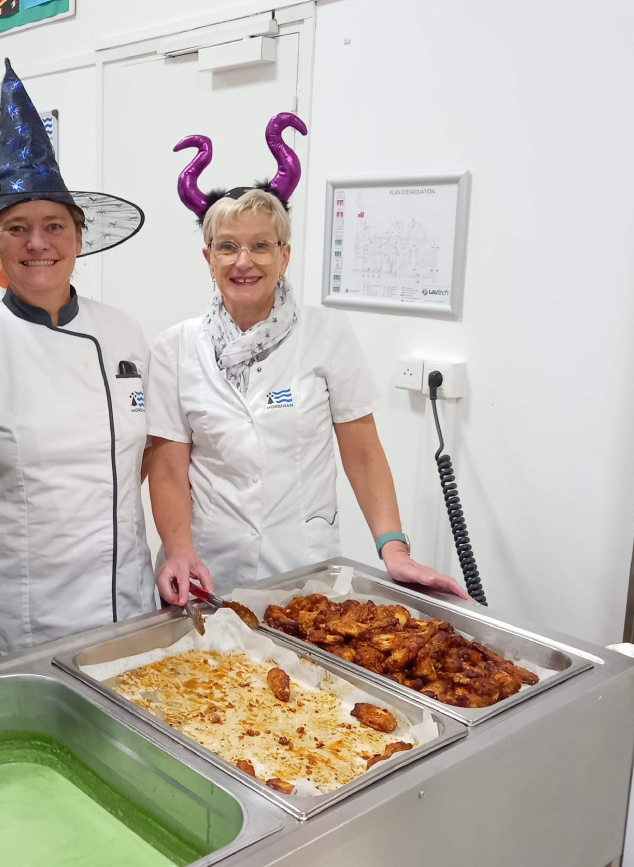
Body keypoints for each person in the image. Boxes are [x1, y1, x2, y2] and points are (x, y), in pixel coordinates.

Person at [148, 114, 471, 605]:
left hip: (302, 563)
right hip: (206, 567)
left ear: (284, 255)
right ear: (208, 259)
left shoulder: (326, 332)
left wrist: (394, 550)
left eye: (261, 245)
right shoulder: (175, 346)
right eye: (228, 247)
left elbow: (361, 449)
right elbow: (169, 466)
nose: (244, 261)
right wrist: (178, 551)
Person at [0, 60, 153, 655]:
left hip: (126, 599)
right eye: (17, 228)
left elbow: (146, 453)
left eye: (54, 226)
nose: (38, 243)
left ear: (80, 237)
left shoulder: (125, 333)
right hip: (20, 614)